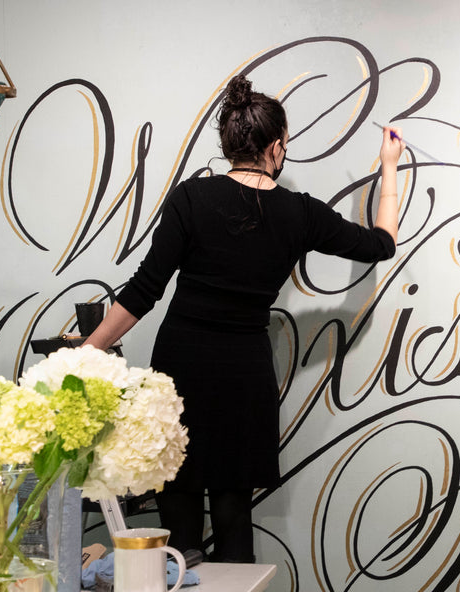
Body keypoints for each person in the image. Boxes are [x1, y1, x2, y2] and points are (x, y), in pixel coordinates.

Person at [82, 75, 405, 562]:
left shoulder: (191, 198)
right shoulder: (299, 213)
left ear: (229, 144)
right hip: (244, 377)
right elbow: (382, 243)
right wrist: (389, 166)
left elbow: (144, 290)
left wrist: (87, 352)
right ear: (277, 147)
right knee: (234, 523)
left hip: (182, 368)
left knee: (177, 525)